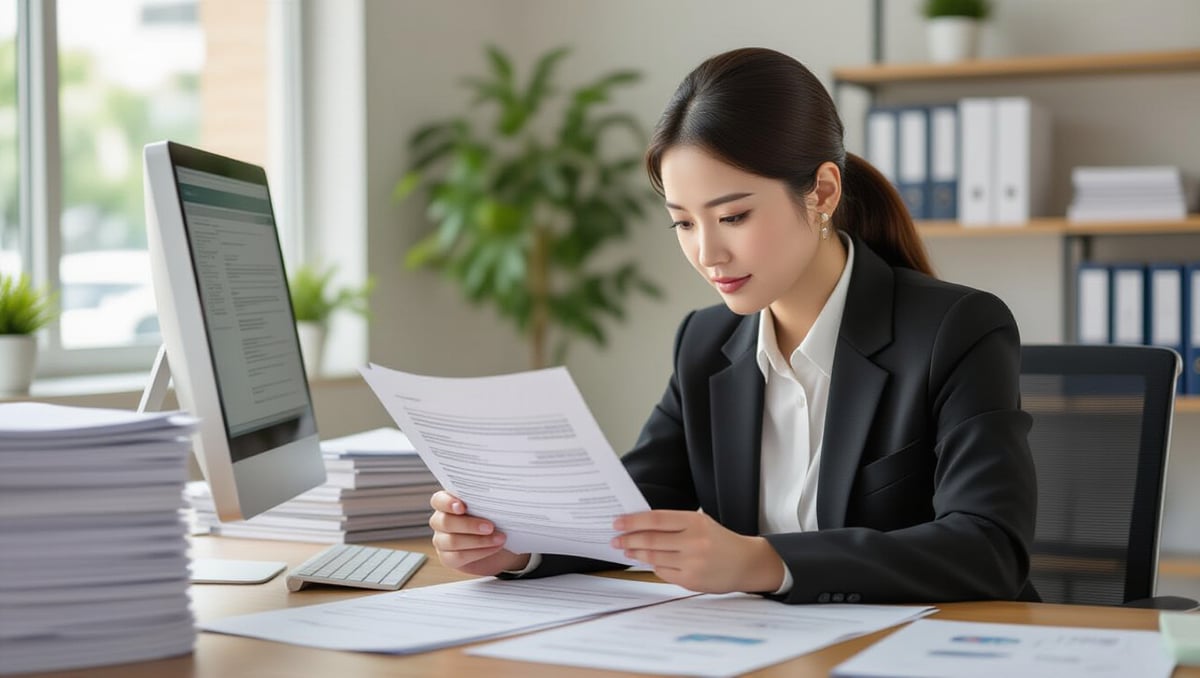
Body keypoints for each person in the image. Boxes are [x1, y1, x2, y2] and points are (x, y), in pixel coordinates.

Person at [428, 47, 1038, 604]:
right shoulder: (705, 343)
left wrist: (763, 562)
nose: (707, 253)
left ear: (822, 192)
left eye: (734, 216)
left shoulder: (957, 330)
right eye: (683, 223)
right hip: (762, 653)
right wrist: (515, 547)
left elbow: (988, 548)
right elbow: (627, 511)